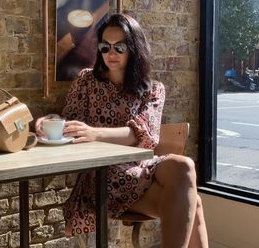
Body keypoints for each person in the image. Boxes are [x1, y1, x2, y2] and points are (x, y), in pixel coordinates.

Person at [36, 13, 208, 248]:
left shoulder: (154, 89)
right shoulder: (87, 81)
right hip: (102, 176)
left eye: (120, 47)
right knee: (194, 202)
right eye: (105, 47)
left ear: (134, 48)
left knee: (184, 165)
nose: (111, 54)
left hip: (141, 168)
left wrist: (95, 133)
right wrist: (50, 120)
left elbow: (144, 135)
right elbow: (70, 120)